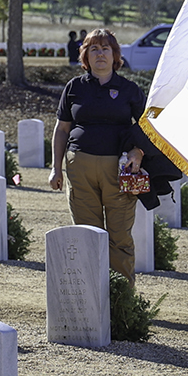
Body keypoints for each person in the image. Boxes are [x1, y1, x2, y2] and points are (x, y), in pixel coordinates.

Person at [49, 28, 146, 282]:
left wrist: (138, 150)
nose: (100, 54)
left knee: (120, 235)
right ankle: (91, 297)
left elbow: (147, 126)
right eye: (94, 49)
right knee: (87, 233)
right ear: (85, 56)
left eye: (105, 49)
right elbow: (62, 129)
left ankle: (122, 298)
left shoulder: (129, 89)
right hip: (79, 166)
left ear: (115, 56)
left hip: (119, 170)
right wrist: (55, 168)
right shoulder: (74, 88)